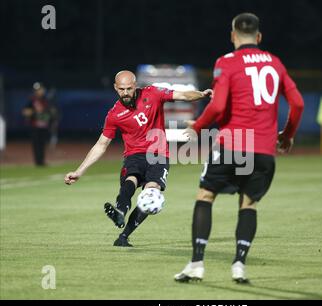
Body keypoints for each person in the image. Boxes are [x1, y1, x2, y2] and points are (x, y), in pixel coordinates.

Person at [174, 13, 304, 283]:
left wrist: (196, 128)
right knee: (249, 203)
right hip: (264, 148)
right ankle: (239, 266)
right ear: (259, 37)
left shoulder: (227, 62)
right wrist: (287, 136)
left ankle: (197, 264)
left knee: (205, 195)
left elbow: (219, 106)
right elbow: (298, 104)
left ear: (233, 35)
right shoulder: (275, 63)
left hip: (234, 143)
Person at [64, 70, 212, 247]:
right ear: (115, 88)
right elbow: (101, 145)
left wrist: (201, 94)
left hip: (159, 154)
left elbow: (182, 95)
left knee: (151, 194)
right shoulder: (114, 114)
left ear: (135, 86)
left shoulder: (153, 93)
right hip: (134, 155)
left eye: (129, 88)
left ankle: (124, 236)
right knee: (131, 179)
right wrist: (80, 171)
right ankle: (120, 211)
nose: (125, 93)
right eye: (121, 89)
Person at [22, 82, 58, 166]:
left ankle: (41, 161)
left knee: (42, 144)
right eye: (37, 90)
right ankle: (37, 161)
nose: (39, 91)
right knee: (36, 144)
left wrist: (51, 116)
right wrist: (34, 112)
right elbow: (25, 111)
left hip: (44, 126)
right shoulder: (32, 100)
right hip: (35, 126)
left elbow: (52, 112)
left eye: (40, 89)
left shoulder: (46, 100)